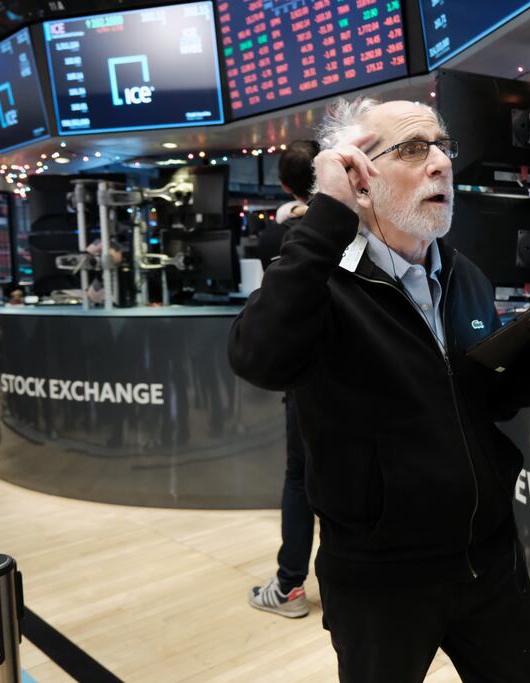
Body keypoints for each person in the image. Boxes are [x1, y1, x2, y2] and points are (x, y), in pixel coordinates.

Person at [228, 98, 530, 682]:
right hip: (380, 578)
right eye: (413, 150)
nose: (442, 164)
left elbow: (479, 401)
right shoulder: (320, 279)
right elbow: (258, 357)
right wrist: (327, 213)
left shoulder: (463, 275)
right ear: (360, 180)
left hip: (489, 559)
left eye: (443, 147)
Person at [247, 140, 321, 618]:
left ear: (283, 184)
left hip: (305, 371)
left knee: (301, 478)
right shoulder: (360, 227)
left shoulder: (276, 237)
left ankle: (290, 586)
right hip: (354, 370)